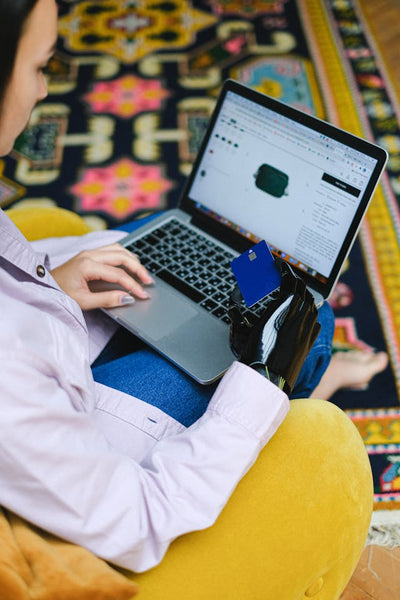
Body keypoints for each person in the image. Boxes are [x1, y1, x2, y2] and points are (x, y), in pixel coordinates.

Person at [0, 0, 386, 592]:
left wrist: (50, 283)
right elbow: (141, 521)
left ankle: (290, 360)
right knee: (306, 315)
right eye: (40, 66)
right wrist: (262, 376)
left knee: (197, 238)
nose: (45, 88)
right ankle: (304, 388)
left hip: (46, 355)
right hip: (81, 441)